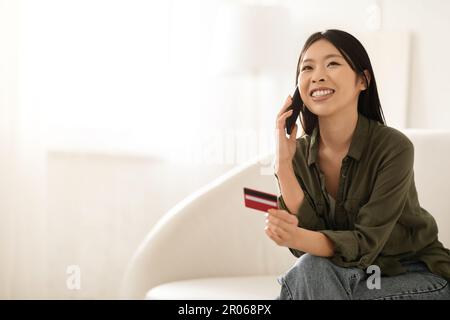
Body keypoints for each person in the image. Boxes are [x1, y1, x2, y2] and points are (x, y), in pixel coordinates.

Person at [266, 29, 450, 300]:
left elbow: (364, 244)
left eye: (332, 63)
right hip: (346, 272)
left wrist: (296, 236)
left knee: (314, 278)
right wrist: (283, 165)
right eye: (307, 67)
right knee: (312, 269)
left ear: (362, 80)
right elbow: (310, 244)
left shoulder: (394, 148)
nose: (317, 75)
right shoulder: (297, 153)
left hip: (410, 271)